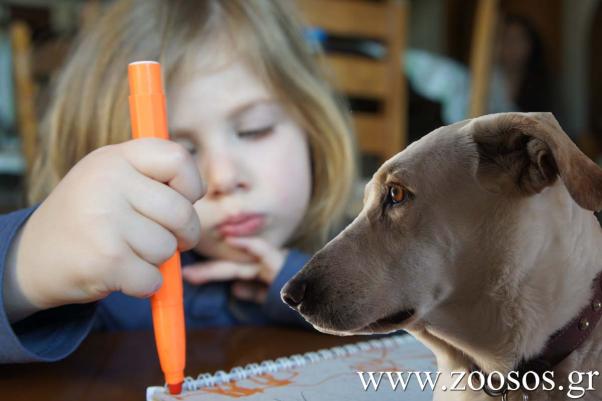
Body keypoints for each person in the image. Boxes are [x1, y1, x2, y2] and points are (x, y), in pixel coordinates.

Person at [0, 0, 356, 363]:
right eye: (181, 149)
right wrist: (22, 271)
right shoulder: (103, 290)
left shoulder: (356, 244)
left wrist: (304, 285)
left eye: (254, 130)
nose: (224, 178)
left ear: (314, 128)